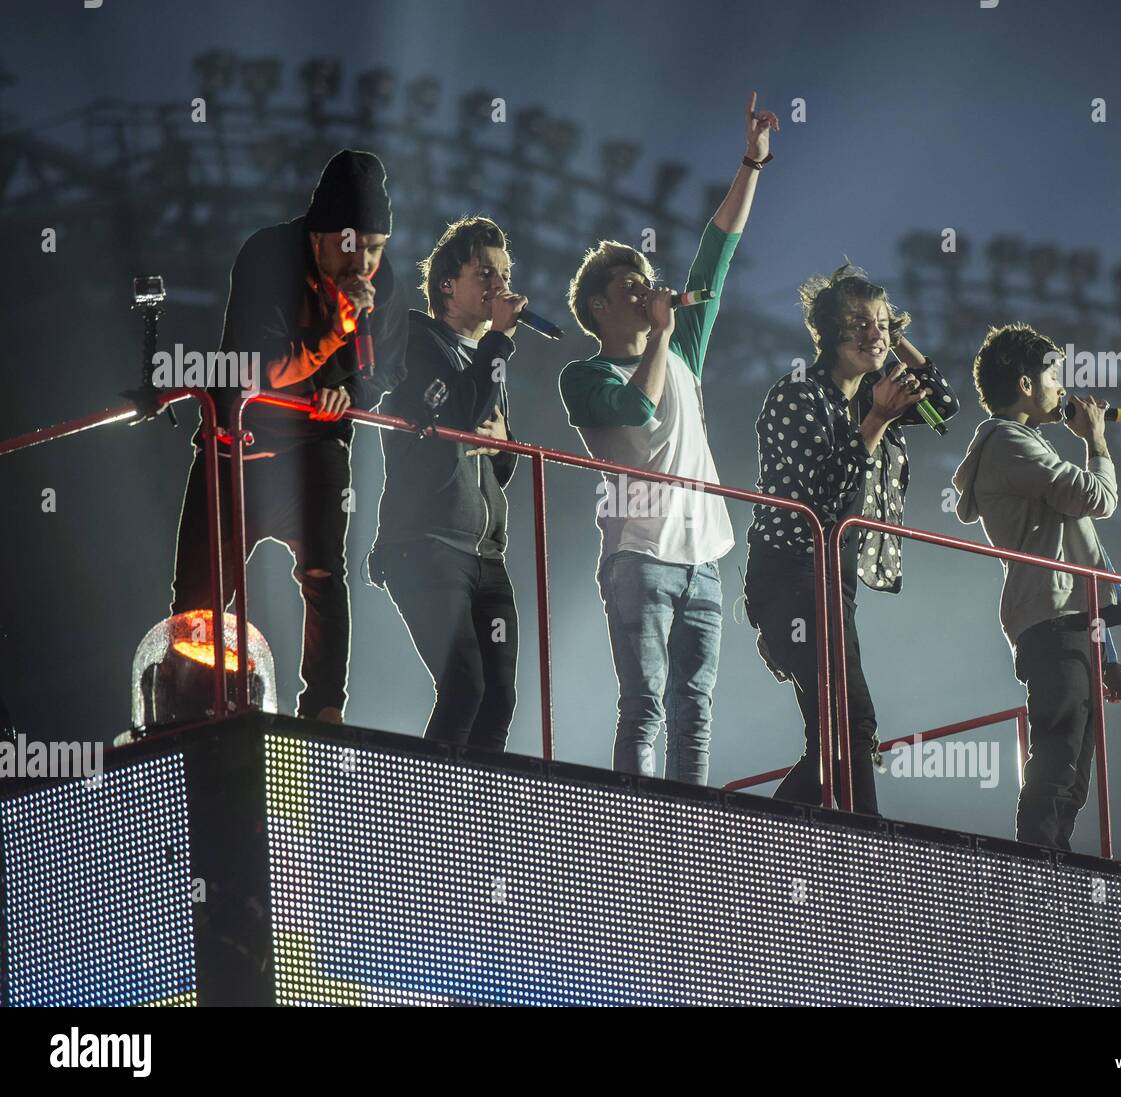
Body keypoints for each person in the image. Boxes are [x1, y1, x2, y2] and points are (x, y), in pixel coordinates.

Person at [558, 93, 778, 784]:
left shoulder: (678, 344)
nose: (648, 290)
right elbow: (637, 409)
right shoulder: (585, 373)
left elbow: (717, 253)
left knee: (696, 706)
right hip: (639, 559)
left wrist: (750, 163)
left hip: (703, 556)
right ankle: (641, 820)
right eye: (631, 286)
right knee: (646, 702)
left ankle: (694, 826)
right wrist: (656, 333)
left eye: (648, 283)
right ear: (599, 305)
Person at [170, 149, 407, 722]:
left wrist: (353, 392)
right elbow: (261, 368)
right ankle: (190, 708)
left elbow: (388, 369)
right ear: (318, 236)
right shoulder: (267, 255)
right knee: (201, 595)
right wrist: (334, 334)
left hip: (316, 447)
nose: (364, 264)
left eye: (375, 249)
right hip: (239, 444)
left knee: (325, 576)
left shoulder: (387, 280)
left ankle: (324, 710)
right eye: (352, 248)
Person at [744, 265, 958, 811]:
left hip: (832, 581)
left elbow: (943, 408)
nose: (872, 334)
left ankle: (772, 838)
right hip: (790, 576)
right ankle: (865, 849)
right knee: (848, 724)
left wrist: (896, 339)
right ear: (826, 333)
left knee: (840, 733)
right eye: (857, 324)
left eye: (881, 324)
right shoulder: (797, 395)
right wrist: (878, 421)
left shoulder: (865, 396)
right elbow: (821, 496)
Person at [952, 323, 1121, 850]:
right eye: (1053, 373)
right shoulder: (1009, 443)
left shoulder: (1027, 444)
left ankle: (1055, 863)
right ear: (1026, 384)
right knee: (1058, 752)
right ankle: (1037, 871)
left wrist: (1108, 655)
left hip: (1072, 619)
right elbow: (1096, 498)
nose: (1062, 386)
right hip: (1050, 621)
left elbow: (1080, 556)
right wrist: (1096, 440)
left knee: (1075, 764)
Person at [368, 216, 528, 748]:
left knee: (500, 699)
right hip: (427, 544)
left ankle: (480, 823)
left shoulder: (488, 359)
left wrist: (506, 439)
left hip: (487, 554)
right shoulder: (417, 342)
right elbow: (457, 415)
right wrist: (499, 341)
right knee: (464, 686)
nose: (499, 285)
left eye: (504, 273)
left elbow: (500, 467)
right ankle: (430, 818)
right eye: (485, 273)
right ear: (446, 284)